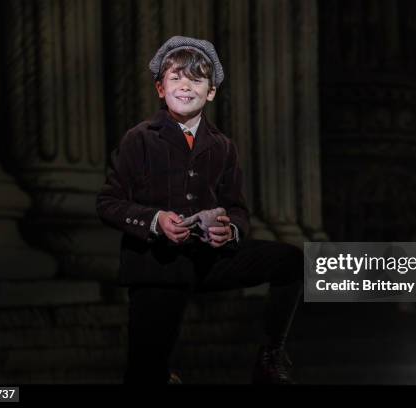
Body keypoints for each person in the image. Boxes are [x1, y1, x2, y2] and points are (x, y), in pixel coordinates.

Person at [96, 36, 303, 384]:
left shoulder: (222, 146)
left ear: (211, 92)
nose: (185, 86)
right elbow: (108, 203)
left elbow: (237, 208)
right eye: (176, 77)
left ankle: (271, 355)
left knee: (292, 260)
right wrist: (155, 220)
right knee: (145, 373)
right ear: (160, 89)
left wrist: (230, 228)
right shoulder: (140, 138)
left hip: (207, 258)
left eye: (196, 79)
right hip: (157, 264)